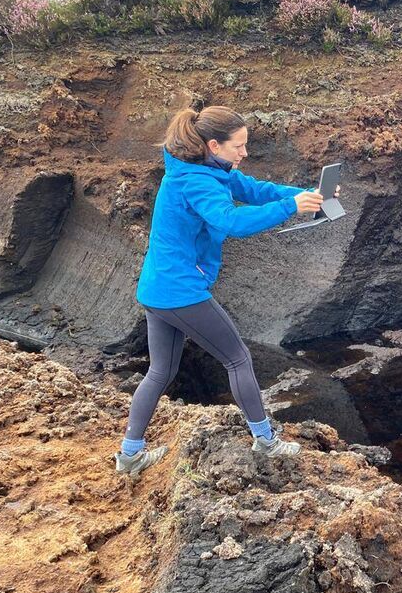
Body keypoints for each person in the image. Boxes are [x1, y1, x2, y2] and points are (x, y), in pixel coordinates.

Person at [114, 105, 333, 476]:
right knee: (238, 359)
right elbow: (230, 221)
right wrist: (290, 207)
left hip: (158, 288)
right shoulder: (196, 182)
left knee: (161, 372)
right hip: (180, 291)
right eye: (240, 146)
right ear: (214, 145)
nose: (245, 153)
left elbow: (255, 190)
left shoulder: (207, 170)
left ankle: (130, 454)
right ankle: (266, 440)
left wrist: (310, 195)